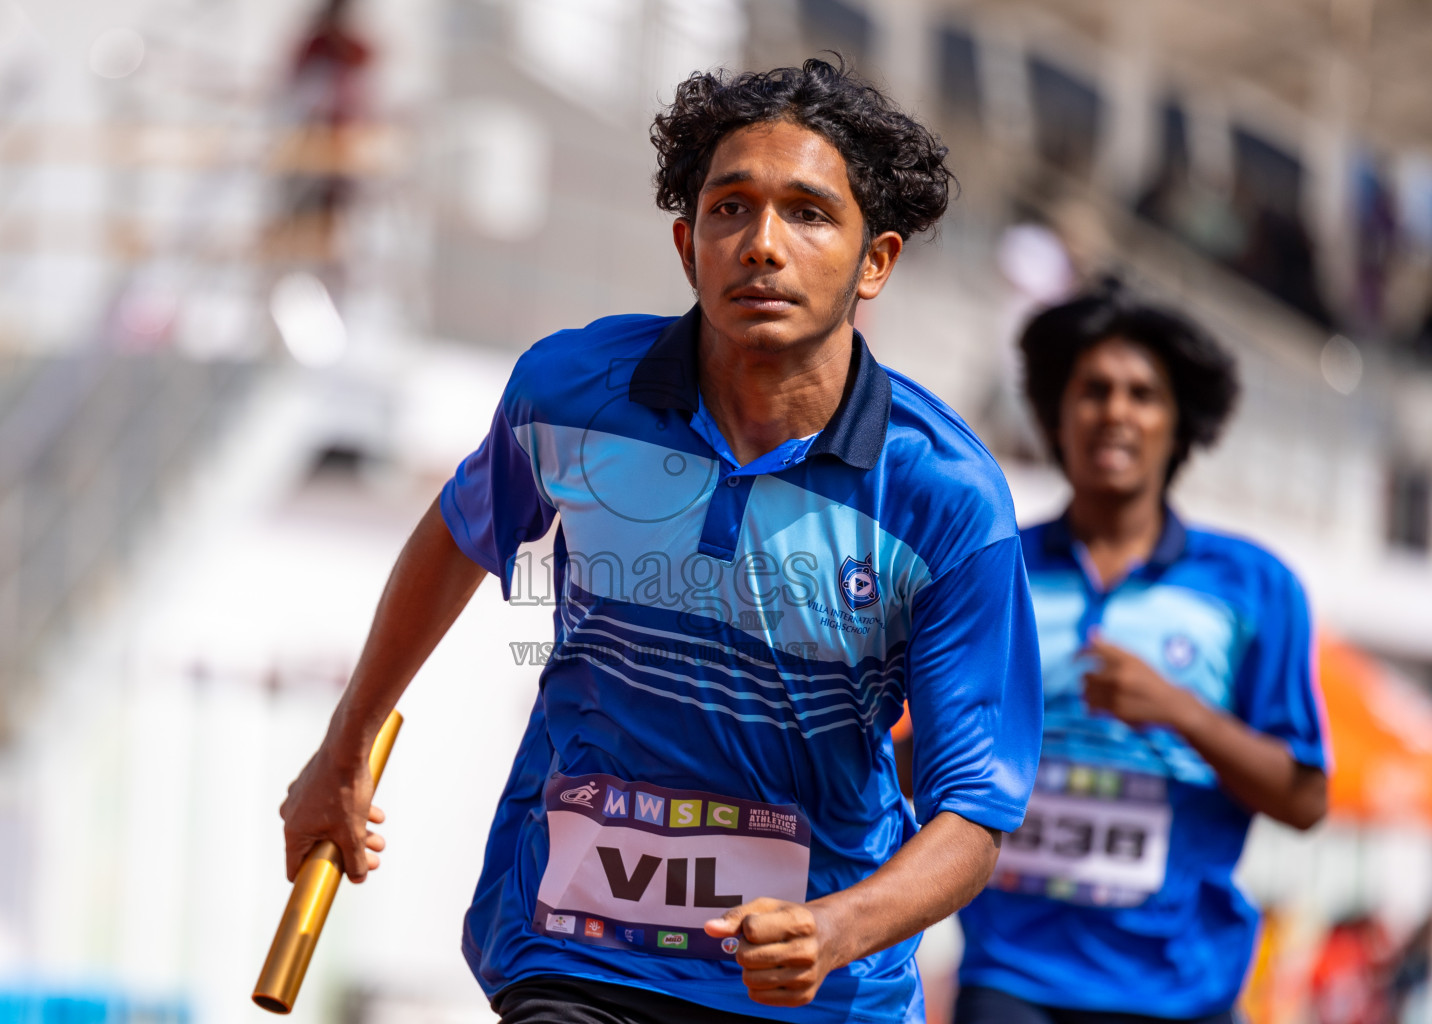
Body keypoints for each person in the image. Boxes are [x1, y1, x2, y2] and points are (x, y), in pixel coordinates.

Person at [279, 58, 1043, 1023]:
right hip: (575, 948)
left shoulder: (946, 495)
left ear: (875, 260)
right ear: (688, 246)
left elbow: (974, 815)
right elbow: (456, 536)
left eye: (808, 214)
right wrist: (342, 750)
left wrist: (837, 928)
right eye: (730, 209)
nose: (762, 244)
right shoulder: (570, 392)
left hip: (811, 991)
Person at [954, 286, 1330, 1023]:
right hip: (1014, 975)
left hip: (1183, 985)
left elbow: (1305, 800)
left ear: (1178, 423)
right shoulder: (995, 569)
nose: (1115, 412)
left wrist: (1180, 711)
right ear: (1057, 414)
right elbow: (921, 757)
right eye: (1092, 391)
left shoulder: (1253, 586)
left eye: (1142, 395)